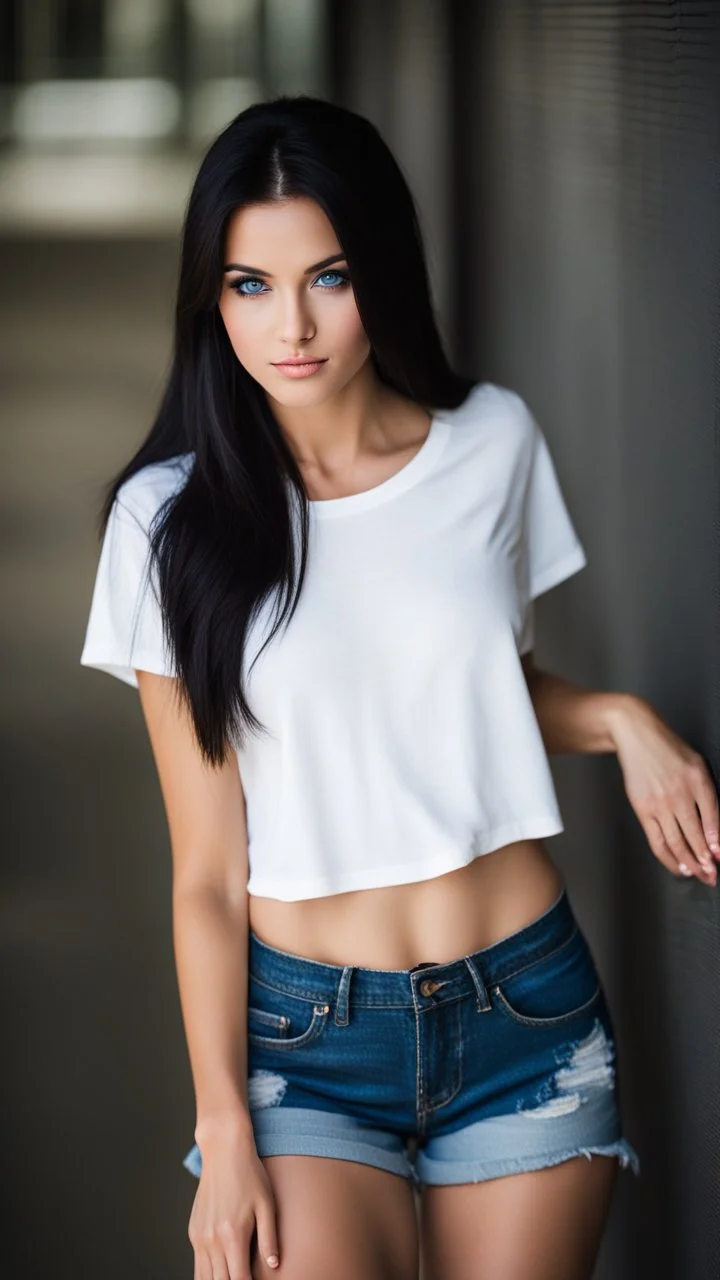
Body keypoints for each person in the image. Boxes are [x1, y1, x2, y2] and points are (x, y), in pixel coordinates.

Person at [80, 95, 719, 1280]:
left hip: (528, 1014)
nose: (293, 327)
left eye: (328, 275)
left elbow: (467, 696)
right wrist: (222, 1125)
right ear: (209, 297)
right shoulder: (166, 525)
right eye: (249, 285)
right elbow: (208, 874)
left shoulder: (493, 442)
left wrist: (621, 718)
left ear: (384, 264)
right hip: (305, 1044)